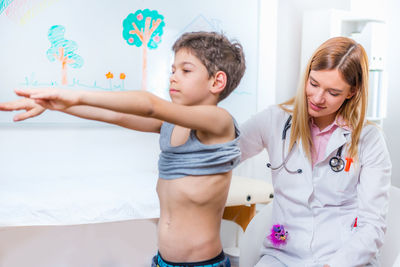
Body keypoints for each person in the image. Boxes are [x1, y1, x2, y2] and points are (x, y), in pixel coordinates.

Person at [0, 31, 246, 267]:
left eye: (185, 70)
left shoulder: (219, 122)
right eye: (173, 70)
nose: (173, 76)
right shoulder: (170, 126)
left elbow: (149, 105)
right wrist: (55, 105)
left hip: (202, 265)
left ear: (217, 81)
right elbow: (114, 115)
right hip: (162, 261)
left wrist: (74, 95)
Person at [240, 36, 391, 267]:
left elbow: (373, 225)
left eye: (333, 92)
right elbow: (224, 153)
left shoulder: (369, 139)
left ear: (352, 92)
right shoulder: (275, 120)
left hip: (343, 257)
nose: (318, 98)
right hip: (283, 254)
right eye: (313, 83)